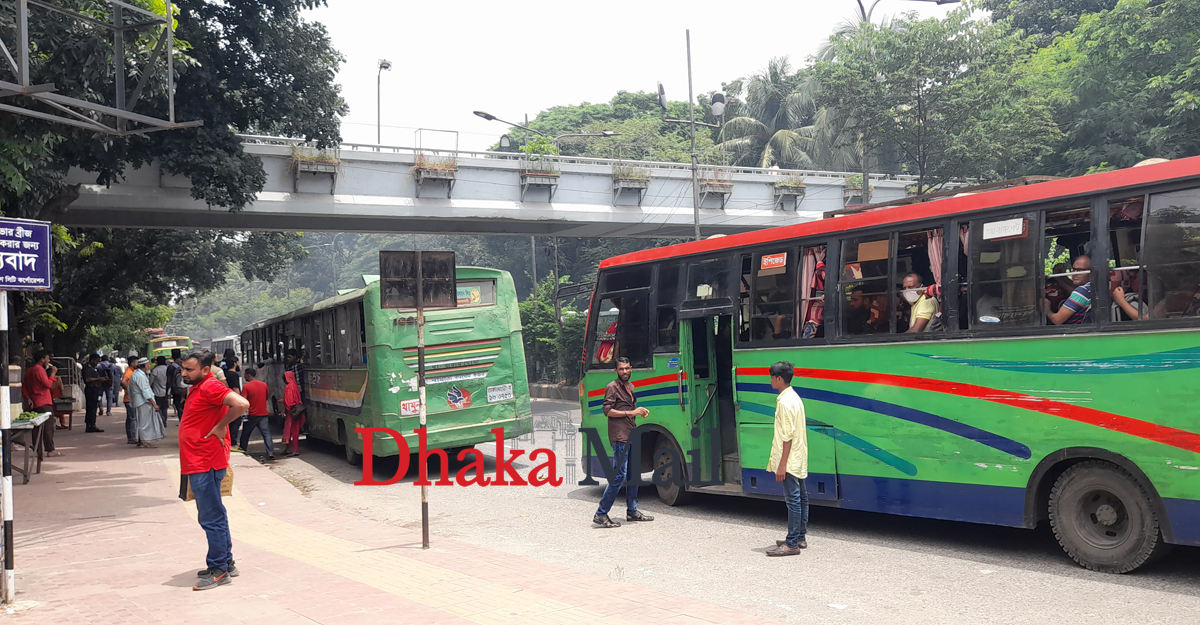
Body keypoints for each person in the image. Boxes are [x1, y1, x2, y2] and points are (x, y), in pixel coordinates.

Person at [179, 349, 250, 591]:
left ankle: (219, 570)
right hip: (200, 461)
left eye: (189, 369)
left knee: (211, 517)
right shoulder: (199, 387)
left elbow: (242, 404)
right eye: (183, 368)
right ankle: (226, 563)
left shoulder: (210, 386)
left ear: (206, 370)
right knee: (215, 514)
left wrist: (221, 426)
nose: (184, 373)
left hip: (205, 462)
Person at [592, 357, 654, 528]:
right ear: (616, 371)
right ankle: (601, 513)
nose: (625, 372)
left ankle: (632, 511)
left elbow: (628, 409)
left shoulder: (630, 387)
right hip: (620, 436)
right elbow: (608, 411)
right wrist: (631, 412)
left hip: (631, 433)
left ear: (631, 368)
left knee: (634, 474)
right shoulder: (612, 387)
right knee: (619, 475)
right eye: (621, 369)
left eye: (627, 368)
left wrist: (638, 412)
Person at [765, 361, 809, 557]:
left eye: (772, 377)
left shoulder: (784, 402)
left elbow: (787, 436)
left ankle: (791, 544)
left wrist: (782, 465)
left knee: (793, 500)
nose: (770, 380)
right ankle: (799, 537)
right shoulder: (794, 397)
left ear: (779, 378)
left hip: (789, 459)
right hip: (798, 456)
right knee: (802, 497)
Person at [22, 351, 62, 458]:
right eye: (47, 359)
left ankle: (37, 449)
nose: (48, 361)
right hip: (44, 402)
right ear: (42, 360)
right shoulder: (39, 370)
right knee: (48, 427)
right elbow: (47, 384)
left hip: (34, 402)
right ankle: (50, 449)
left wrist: (28, 398)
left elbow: (24, 387)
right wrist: (52, 375)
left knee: (36, 428)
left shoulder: (29, 371)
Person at [238, 368, 274, 460]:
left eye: (245, 375)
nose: (244, 377)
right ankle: (270, 452)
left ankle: (243, 450)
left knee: (245, 434)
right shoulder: (264, 385)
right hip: (263, 413)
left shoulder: (246, 387)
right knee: (266, 434)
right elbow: (266, 397)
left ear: (248, 375)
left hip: (252, 414)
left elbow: (243, 400)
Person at [129, 358, 165, 448]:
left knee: (141, 421)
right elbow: (145, 391)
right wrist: (154, 404)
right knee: (144, 423)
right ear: (144, 365)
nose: (149, 366)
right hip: (143, 402)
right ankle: (144, 441)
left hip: (139, 401)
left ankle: (141, 440)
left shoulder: (136, 374)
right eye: (148, 364)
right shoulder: (140, 376)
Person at [1048, 255, 1093, 325]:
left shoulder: (1082, 292)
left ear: (1092, 272)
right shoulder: (1092, 288)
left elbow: (1057, 320)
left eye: (1080, 270)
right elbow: (1074, 288)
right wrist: (1060, 276)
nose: (1075, 273)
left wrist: (1046, 309)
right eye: (1073, 269)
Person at [282, 371, 306, 457]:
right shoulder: (295, 386)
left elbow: (288, 402)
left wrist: (284, 409)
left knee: (288, 430)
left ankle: (291, 449)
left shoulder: (288, 387)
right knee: (295, 430)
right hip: (298, 411)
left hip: (291, 412)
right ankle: (293, 449)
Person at [81, 353, 106, 433]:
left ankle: (92, 424)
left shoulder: (93, 368)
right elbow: (87, 379)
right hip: (90, 389)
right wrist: (99, 379)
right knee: (90, 407)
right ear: (92, 360)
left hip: (95, 389)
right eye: (96, 361)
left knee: (93, 408)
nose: (97, 363)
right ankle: (90, 424)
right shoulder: (87, 368)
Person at [122, 354, 139, 443]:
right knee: (133, 418)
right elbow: (123, 381)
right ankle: (132, 437)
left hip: (128, 398)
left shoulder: (132, 371)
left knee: (130, 418)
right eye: (137, 362)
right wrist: (130, 390)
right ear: (132, 363)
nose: (138, 364)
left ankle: (130, 437)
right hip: (129, 399)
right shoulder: (129, 372)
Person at [150, 356, 171, 427]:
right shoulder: (168, 369)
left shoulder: (155, 370)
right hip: (167, 392)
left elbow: (150, 382)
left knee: (158, 408)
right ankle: (164, 421)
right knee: (165, 408)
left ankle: (160, 421)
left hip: (157, 392)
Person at [168, 349, 186, 420]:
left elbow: (169, 381)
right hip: (187, 389)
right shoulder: (185, 364)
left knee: (179, 408)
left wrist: (167, 392)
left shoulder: (171, 367)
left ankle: (181, 421)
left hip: (176, 390)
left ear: (172, 356)